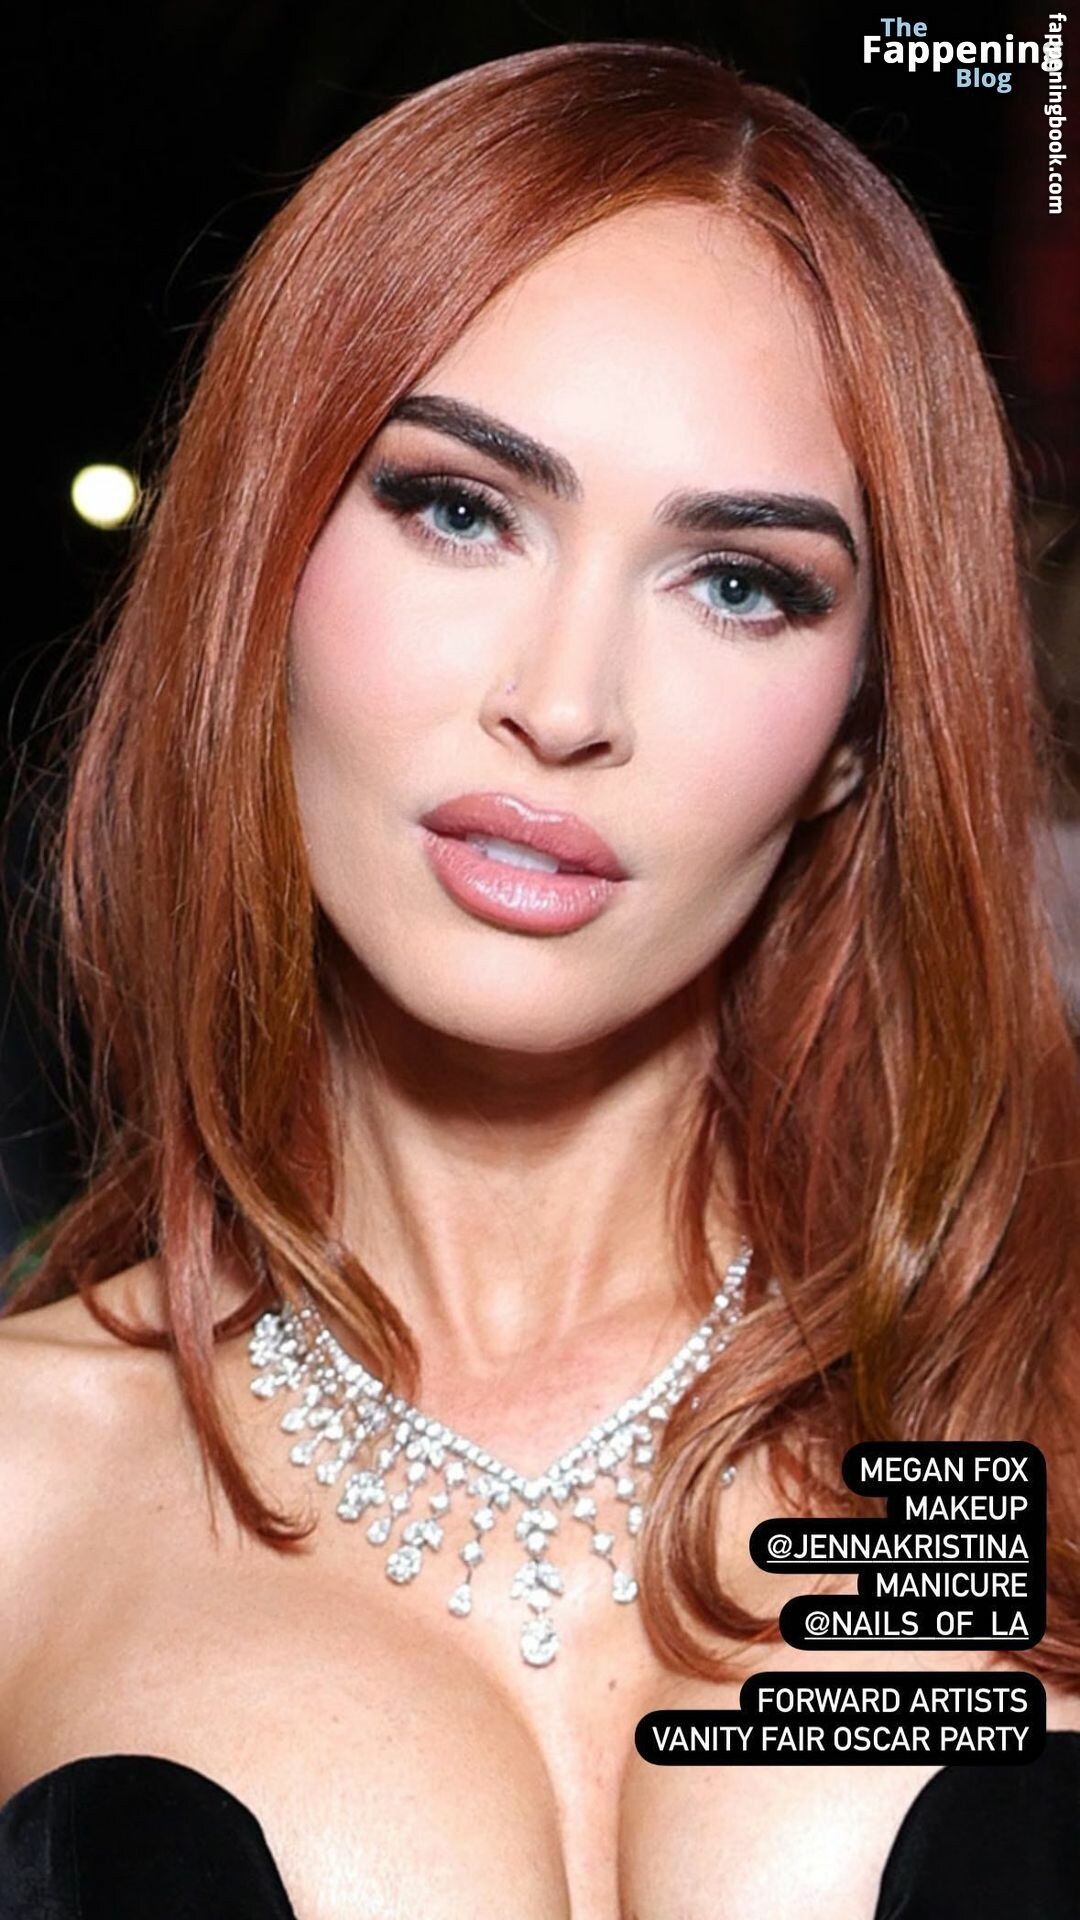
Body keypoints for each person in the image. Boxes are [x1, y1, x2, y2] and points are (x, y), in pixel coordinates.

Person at [0, 37, 1077, 1920]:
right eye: (460, 506)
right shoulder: (26, 1482)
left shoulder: (1033, 1406)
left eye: (739, 581)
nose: (565, 705)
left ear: (857, 730)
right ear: (259, 560)